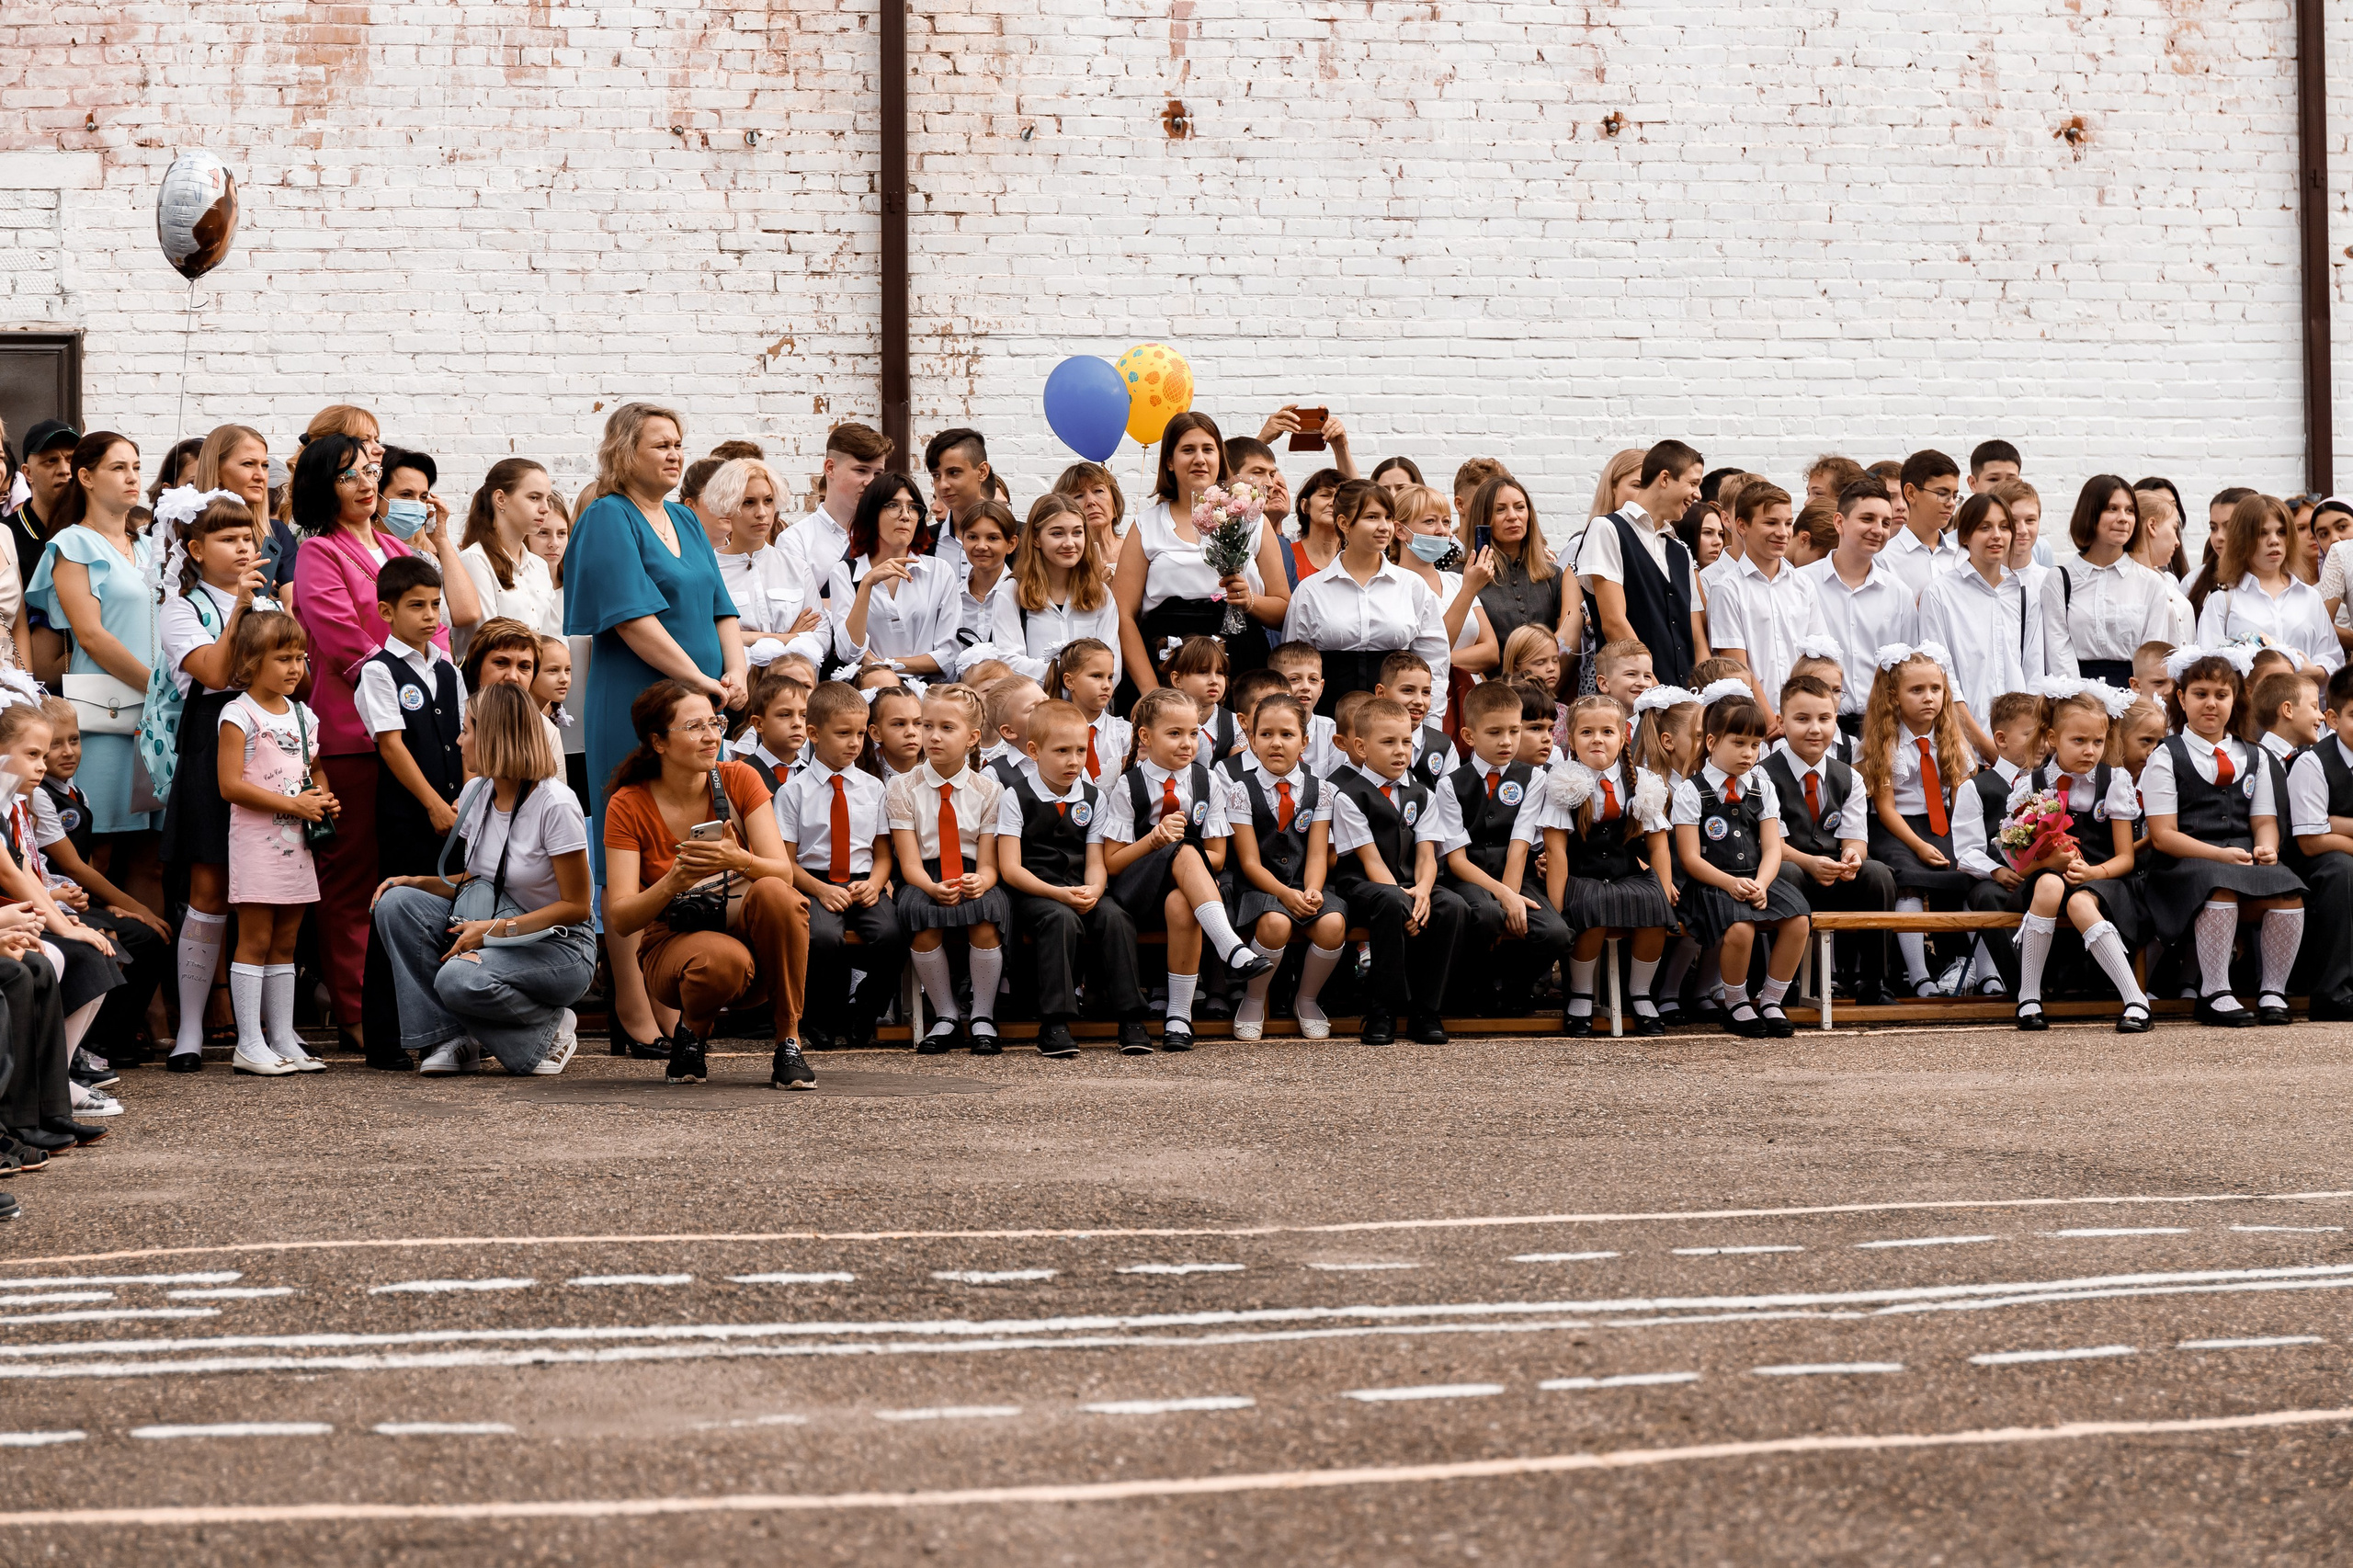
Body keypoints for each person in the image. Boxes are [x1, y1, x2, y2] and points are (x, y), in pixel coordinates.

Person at [564, 403, 750, 1058]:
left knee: (689, 846)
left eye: (679, 444)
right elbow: (630, 620)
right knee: (633, 848)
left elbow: (721, 607)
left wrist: (735, 670)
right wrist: (699, 680)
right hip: (637, 704)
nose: (674, 455)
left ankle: (678, 1000)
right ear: (625, 450)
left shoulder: (683, 520)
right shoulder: (605, 518)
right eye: (659, 445)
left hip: (703, 705)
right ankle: (633, 1009)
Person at [370, 685, 596, 1076]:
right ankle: (450, 1038)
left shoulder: (555, 803)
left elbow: (577, 906)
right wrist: (415, 882)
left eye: (466, 730)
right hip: (496, 927)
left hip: (559, 945)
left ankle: (548, 1028)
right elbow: (478, 879)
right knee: (396, 903)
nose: (459, 741)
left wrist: (493, 931)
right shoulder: (477, 791)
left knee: (458, 978)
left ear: (494, 737)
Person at [602, 679, 811, 1087]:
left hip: (757, 945)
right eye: (694, 727)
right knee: (722, 957)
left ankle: (789, 1039)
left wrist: (739, 860)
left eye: (714, 723)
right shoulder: (628, 803)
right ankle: (692, 1032)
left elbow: (783, 874)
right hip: (676, 950)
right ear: (658, 742)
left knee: (776, 893)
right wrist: (672, 882)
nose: (712, 735)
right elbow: (623, 918)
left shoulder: (740, 778)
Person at [154, 491, 278, 1071]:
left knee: (267, 888)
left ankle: (267, 1032)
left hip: (269, 740)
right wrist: (239, 614)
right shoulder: (180, 609)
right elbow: (218, 671)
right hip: (210, 741)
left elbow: (289, 679)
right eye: (227, 539)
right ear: (197, 550)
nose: (241, 548)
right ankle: (190, 1031)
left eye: (248, 538)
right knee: (207, 891)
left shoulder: (270, 603)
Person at [1097, 686, 1272, 1051]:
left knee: (1183, 899)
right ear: (1145, 736)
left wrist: (1180, 853)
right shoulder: (1129, 785)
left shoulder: (1208, 781)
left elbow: (1219, 857)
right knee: (1184, 851)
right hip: (1139, 889)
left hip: (1195, 888)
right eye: (1174, 733)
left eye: (1193, 733)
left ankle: (1178, 1018)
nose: (1186, 743)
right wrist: (1155, 841)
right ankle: (1229, 948)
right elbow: (1112, 863)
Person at [2143, 647, 2307, 1025]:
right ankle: (2214, 991)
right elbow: (2163, 835)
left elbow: (2264, 819)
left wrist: (2268, 846)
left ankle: (2273, 991)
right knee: (2219, 886)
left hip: (2241, 857)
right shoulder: (2166, 756)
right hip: (2182, 865)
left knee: (2288, 889)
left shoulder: (2256, 755)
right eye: (2200, 694)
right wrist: (2218, 856)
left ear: (2236, 698)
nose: (2211, 704)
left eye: (2222, 694)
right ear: (2182, 698)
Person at [27, 432, 161, 865]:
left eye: (137, 467)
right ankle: (95, 932)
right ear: (85, 476)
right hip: (107, 709)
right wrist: (159, 685)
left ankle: (151, 934)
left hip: (159, 713)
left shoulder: (150, 545)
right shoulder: (72, 544)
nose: (132, 477)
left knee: (151, 854)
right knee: (98, 844)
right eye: (118, 468)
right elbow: (91, 635)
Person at [213, 610, 335, 1076]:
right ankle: (249, 1041)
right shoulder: (238, 714)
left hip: (297, 844)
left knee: (286, 941)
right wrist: (295, 804)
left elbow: (315, 768)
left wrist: (322, 798)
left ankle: (282, 1036)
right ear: (249, 659)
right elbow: (229, 785)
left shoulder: (305, 715)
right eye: (282, 658)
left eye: (300, 658)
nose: (294, 667)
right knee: (257, 938)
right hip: (257, 845)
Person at [995, 698, 1145, 1056]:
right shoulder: (1016, 796)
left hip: (1079, 886)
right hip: (1035, 891)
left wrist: (1095, 888)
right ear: (1034, 750)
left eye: (1080, 750)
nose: (1073, 760)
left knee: (1114, 917)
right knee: (1060, 919)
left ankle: (1131, 1018)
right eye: (1062, 751)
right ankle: (1055, 1023)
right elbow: (1010, 868)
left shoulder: (1093, 797)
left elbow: (1095, 858)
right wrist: (1058, 894)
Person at [2007, 681, 2151, 1033]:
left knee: (2079, 905)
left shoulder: (2113, 781)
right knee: (2048, 888)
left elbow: (2125, 859)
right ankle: (2029, 996)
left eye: (2097, 742)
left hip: (2104, 879)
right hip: (2049, 875)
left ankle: (2136, 1000)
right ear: (2053, 738)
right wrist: (2049, 864)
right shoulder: (2034, 784)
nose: (2090, 750)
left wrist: (2093, 872)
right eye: (2079, 741)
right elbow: (2019, 860)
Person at [1324, 694, 1466, 1044]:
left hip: (1409, 883)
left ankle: (1426, 1011)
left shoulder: (1422, 794)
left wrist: (1421, 891)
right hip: (1363, 886)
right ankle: (1381, 1009)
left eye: (1405, 741)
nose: (1400, 751)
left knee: (1453, 906)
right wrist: (1405, 903)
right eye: (1388, 742)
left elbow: (1426, 854)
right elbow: (1370, 860)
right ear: (1361, 746)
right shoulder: (1348, 795)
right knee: (1389, 902)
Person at [1113, 412, 1290, 691]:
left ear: (1220, 458)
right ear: (1169, 462)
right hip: (1167, 659)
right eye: (1188, 450)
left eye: (1208, 449)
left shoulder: (1253, 521)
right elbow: (1123, 613)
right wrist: (1150, 689)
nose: (1199, 458)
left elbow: (1283, 606)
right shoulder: (1146, 525)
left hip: (1238, 661)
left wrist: (1250, 600)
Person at [1674, 691, 1813, 1037]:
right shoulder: (1692, 792)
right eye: (1738, 743)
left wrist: (1763, 884)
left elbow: (1772, 848)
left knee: (1798, 921)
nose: (1748, 753)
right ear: (1711, 741)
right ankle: (1736, 1003)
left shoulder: (1762, 788)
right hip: (1713, 884)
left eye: (1754, 745)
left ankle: (1770, 1000)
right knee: (1740, 928)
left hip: (1756, 879)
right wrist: (1729, 883)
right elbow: (1690, 858)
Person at [776, 680, 903, 1054]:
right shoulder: (793, 792)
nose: (854, 742)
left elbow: (882, 853)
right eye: (843, 733)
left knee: (893, 934)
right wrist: (820, 890)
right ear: (813, 734)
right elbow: (785, 861)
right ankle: (820, 1018)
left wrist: (877, 884)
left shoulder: (873, 788)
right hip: (812, 882)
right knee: (823, 938)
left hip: (863, 881)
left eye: (861, 733)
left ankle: (864, 1011)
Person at [885, 684, 1009, 1053]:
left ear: (973, 738)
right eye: (927, 725)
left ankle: (983, 1016)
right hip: (924, 875)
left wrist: (982, 881)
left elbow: (989, 862)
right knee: (922, 920)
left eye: (947, 728)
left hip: (973, 872)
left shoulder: (988, 790)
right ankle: (946, 1015)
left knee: (985, 918)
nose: (933, 736)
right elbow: (908, 863)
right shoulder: (902, 787)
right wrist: (931, 886)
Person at [1216, 690, 1347, 1041]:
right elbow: (1248, 861)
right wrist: (1284, 894)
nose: (1276, 743)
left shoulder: (1320, 790)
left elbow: (1318, 854)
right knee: (1275, 924)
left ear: (1304, 742)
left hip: (1305, 883)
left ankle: (1307, 999)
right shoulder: (1241, 790)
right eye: (1266, 735)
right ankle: (1254, 999)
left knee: (1333, 923)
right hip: (1260, 887)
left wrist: (1313, 889)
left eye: (1287, 735)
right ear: (1252, 741)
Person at [1437, 680, 1571, 1015]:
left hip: (1516, 874)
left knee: (1556, 933)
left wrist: (1511, 895)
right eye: (1495, 732)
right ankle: (1473, 988)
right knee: (1486, 915)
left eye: (1513, 730)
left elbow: (1520, 844)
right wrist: (1504, 898)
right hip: (1469, 877)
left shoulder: (1534, 777)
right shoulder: (1450, 785)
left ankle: (1515, 988)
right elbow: (1456, 861)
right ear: (1469, 737)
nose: (1507, 741)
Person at [1765, 673, 1894, 1005]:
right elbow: (1770, 846)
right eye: (1802, 719)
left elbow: (1855, 837)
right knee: (1787, 873)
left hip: (1832, 874)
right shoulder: (1763, 775)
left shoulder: (1848, 775)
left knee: (1877, 873)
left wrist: (1852, 857)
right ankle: (1787, 982)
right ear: (1781, 721)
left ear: (1835, 720)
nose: (1815, 729)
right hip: (1789, 871)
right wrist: (1810, 862)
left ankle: (1872, 980)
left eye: (1824, 719)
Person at [1862, 645, 1979, 995]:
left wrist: (1963, 838)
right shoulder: (1886, 741)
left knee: (1971, 871)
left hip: (1943, 822)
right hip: (1897, 829)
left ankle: (1982, 970)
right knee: (1909, 879)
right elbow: (1885, 808)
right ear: (1894, 698)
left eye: (1935, 689)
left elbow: (1959, 794)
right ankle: (1919, 975)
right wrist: (1919, 845)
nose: (1929, 698)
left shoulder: (1951, 738)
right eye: (1916, 690)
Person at [1279, 479, 1447, 714]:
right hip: (1328, 717)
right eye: (1372, 517)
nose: (1384, 526)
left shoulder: (1412, 586)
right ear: (1344, 523)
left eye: (1388, 517)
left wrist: (1431, 721)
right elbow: (1293, 666)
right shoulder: (1311, 590)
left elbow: (1435, 662)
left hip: (1398, 720)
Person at [1916, 493, 2044, 761]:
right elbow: (1943, 678)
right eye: (1985, 527)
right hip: (1962, 744)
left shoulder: (2024, 595)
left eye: (2004, 527)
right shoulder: (1940, 593)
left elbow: (2033, 674)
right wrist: (1983, 745)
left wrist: (2027, 741)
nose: (1997, 535)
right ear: (1964, 537)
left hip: (2020, 750)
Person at [1572, 442, 1707, 688]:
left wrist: (1701, 698)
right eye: (1693, 483)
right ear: (1665, 478)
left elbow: (1696, 639)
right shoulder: (1607, 529)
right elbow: (1613, 622)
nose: (1698, 494)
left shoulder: (1680, 551)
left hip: (1683, 703)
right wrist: (1655, 690)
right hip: (1633, 699)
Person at [1705, 483, 1828, 727]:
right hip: (1758, 722)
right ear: (1742, 526)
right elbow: (1738, 668)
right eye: (1771, 523)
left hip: (1803, 720)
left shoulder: (1803, 585)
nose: (1782, 532)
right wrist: (1771, 722)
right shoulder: (1727, 589)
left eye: (1788, 523)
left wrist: (1803, 716)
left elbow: (1816, 657)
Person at [826, 471, 961, 680]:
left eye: (913, 507)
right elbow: (849, 652)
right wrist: (867, 583)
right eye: (893, 505)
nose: (905, 515)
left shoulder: (939, 572)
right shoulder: (845, 572)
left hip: (926, 695)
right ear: (872, 514)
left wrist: (883, 665)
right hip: (870, 694)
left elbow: (949, 656)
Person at [984, 493, 1120, 687]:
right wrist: (1073, 677)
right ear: (1036, 539)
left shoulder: (1101, 593)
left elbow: (1113, 664)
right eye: (1057, 533)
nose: (1069, 543)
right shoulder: (1013, 590)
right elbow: (1010, 661)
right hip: (1035, 708)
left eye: (1077, 532)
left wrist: (1083, 685)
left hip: (1089, 711)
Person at [2053, 475, 2172, 686]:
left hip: (2133, 696)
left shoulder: (2151, 583)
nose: (2123, 518)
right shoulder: (2059, 579)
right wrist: (2079, 701)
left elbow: (2151, 655)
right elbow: (2057, 649)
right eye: (2111, 509)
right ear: (2090, 513)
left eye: (2130, 510)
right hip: (2076, 700)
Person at [2287, 662, 2353, 1019]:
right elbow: (2312, 840)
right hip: (2315, 863)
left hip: (2336, 847)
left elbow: (2325, 826)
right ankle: (2332, 992)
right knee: (2342, 871)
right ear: (2332, 718)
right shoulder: (2312, 764)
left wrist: (2336, 823)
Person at [772, 422, 892, 615]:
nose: (870, 482)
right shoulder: (795, 541)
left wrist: (828, 603)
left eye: (878, 473)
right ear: (830, 468)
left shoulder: (889, 535)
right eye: (861, 470)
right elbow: (799, 614)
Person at [458, 459, 564, 640]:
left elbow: (552, 638)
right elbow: (489, 639)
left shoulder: (539, 565)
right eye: (534, 498)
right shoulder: (475, 560)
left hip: (537, 667)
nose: (545, 509)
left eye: (547, 499)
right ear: (501, 499)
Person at [192, 424, 290, 615]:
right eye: (248, 464)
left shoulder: (276, 532)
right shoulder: (185, 527)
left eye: (265, 466)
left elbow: (292, 607)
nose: (261, 476)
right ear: (218, 470)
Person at [5, 419, 78, 631]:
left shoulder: (94, 530)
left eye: (71, 459)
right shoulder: (7, 536)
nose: (64, 470)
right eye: (51, 461)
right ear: (28, 473)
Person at [1880, 450, 1963, 597]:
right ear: (1911, 493)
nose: (1951, 503)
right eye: (1942, 494)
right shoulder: (1883, 559)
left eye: (1955, 496)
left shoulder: (1963, 557)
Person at [949, 499, 1018, 675]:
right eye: (972, 537)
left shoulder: (1024, 596)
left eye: (992, 538)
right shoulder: (951, 596)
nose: (981, 546)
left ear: (1011, 544)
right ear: (962, 540)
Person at [1045, 637, 1126, 785]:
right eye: (1096, 676)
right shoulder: (1052, 729)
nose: (1106, 685)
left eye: (1110, 677)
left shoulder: (1124, 732)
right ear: (1069, 681)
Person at [1052, 460, 1128, 583]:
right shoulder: (1066, 559)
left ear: (1115, 502)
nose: (1090, 501)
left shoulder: (1138, 551)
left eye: (1098, 491)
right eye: (1079, 496)